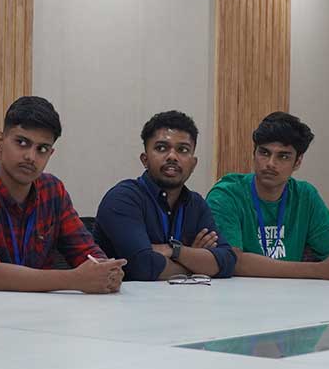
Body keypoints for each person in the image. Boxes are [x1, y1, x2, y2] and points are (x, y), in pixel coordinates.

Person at [0, 96, 126, 294]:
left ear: (50, 154)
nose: (31, 157)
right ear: (0, 142)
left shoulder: (53, 190)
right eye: (22, 142)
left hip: (32, 308)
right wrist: (75, 279)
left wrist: (107, 271)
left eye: (42, 149)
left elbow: (86, 252)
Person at [207, 112, 329, 280]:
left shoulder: (305, 196)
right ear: (254, 154)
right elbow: (231, 260)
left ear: (298, 162)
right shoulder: (227, 194)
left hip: (293, 294)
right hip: (238, 294)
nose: (270, 164)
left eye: (283, 156)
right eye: (264, 153)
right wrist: (317, 270)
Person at [94, 111, 236, 281]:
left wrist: (174, 250)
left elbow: (227, 262)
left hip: (184, 296)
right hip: (127, 297)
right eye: (161, 148)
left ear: (193, 164)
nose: (172, 156)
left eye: (183, 150)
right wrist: (195, 262)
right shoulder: (123, 199)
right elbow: (144, 266)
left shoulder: (196, 204)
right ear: (145, 159)